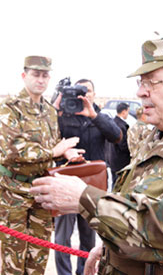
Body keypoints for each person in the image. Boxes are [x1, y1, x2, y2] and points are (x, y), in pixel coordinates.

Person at [30, 38, 163, 274]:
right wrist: (110, 250)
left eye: (152, 83)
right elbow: (137, 200)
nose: (140, 92)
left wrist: (84, 199)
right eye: (141, 82)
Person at [0, 55, 85, 275]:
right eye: (35, 74)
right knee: (14, 261)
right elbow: (12, 149)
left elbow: (53, 145)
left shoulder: (50, 112)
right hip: (13, 193)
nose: (41, 80)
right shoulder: (10, 107)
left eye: (45, 75)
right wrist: (54, 151)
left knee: (38, 260)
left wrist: (66, 152)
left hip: (41, 192)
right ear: (24, 76)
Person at [53, 79, 122, 275]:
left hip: (91, 185)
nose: (83, 96)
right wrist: (56, 109)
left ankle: (84, 272)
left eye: (87, 91)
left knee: (88, 237)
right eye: (78, 91)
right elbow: (49, 136)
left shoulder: (100, 116)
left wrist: (94, 115)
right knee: (62, 238)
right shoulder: (63, 114)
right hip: (65, 182)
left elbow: (116, 136)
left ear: (93, 94)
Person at [106, 102, 131, 187]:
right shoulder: (121, 126)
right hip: (120, 161)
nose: (128, 114)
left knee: (114, 182)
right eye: (128, 111)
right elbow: (123, 145)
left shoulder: (112, 122)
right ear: (124, 112)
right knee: (118, 184)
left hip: (111, 159)